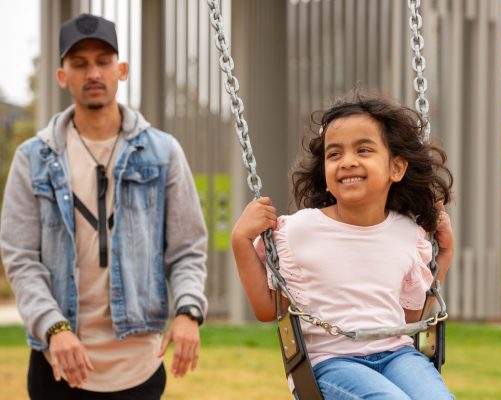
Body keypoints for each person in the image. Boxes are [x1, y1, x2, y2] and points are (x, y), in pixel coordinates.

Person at [0, 13, 208, 400]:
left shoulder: (163, 152)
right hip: (57, 366)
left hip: (139, 368)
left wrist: (188, 311)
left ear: (121, 70)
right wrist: (54, 328)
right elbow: (21, 259)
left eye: (103, 61)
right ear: (63, 75)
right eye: (79, 63)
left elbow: (187, 249)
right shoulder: (33, 159)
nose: (92, 72)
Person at [232, 90, 455, 399]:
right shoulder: (300, 230)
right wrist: (240, 241)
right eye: (335, 154)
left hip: (398, 354)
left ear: (397, 168)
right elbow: (268, 309)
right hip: (333, 362)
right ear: (325, 172)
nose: (347, 162)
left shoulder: (407, 232)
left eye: (363, 150)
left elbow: (412, 318)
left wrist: (444, 255)